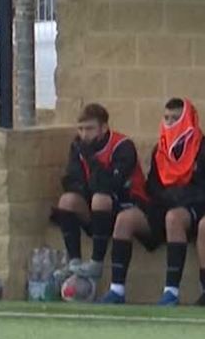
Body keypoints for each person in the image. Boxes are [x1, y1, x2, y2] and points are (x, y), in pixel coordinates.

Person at [97, 98, 205, 305]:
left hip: (193, 211)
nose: (170, 123)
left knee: (174, 217)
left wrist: (182, 198)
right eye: (167, 118)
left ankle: (171, 291)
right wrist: (162, 198)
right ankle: (116, 290)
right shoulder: (160, 150)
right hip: (161, 206)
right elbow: (153, 185)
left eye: (176, 118)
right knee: (125, 219)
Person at [51, 103, 149, 287]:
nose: (84, 134)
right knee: (67, 201)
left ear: (103, 128)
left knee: (100, 198)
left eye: (89, 129)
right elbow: (72, 179)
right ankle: (74, 262)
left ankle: (96, 262)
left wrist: (90, 159)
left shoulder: (123, 146)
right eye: (80, 129)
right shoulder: (78, 146)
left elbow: (110, 185)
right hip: (98, 208)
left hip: (128, 202)